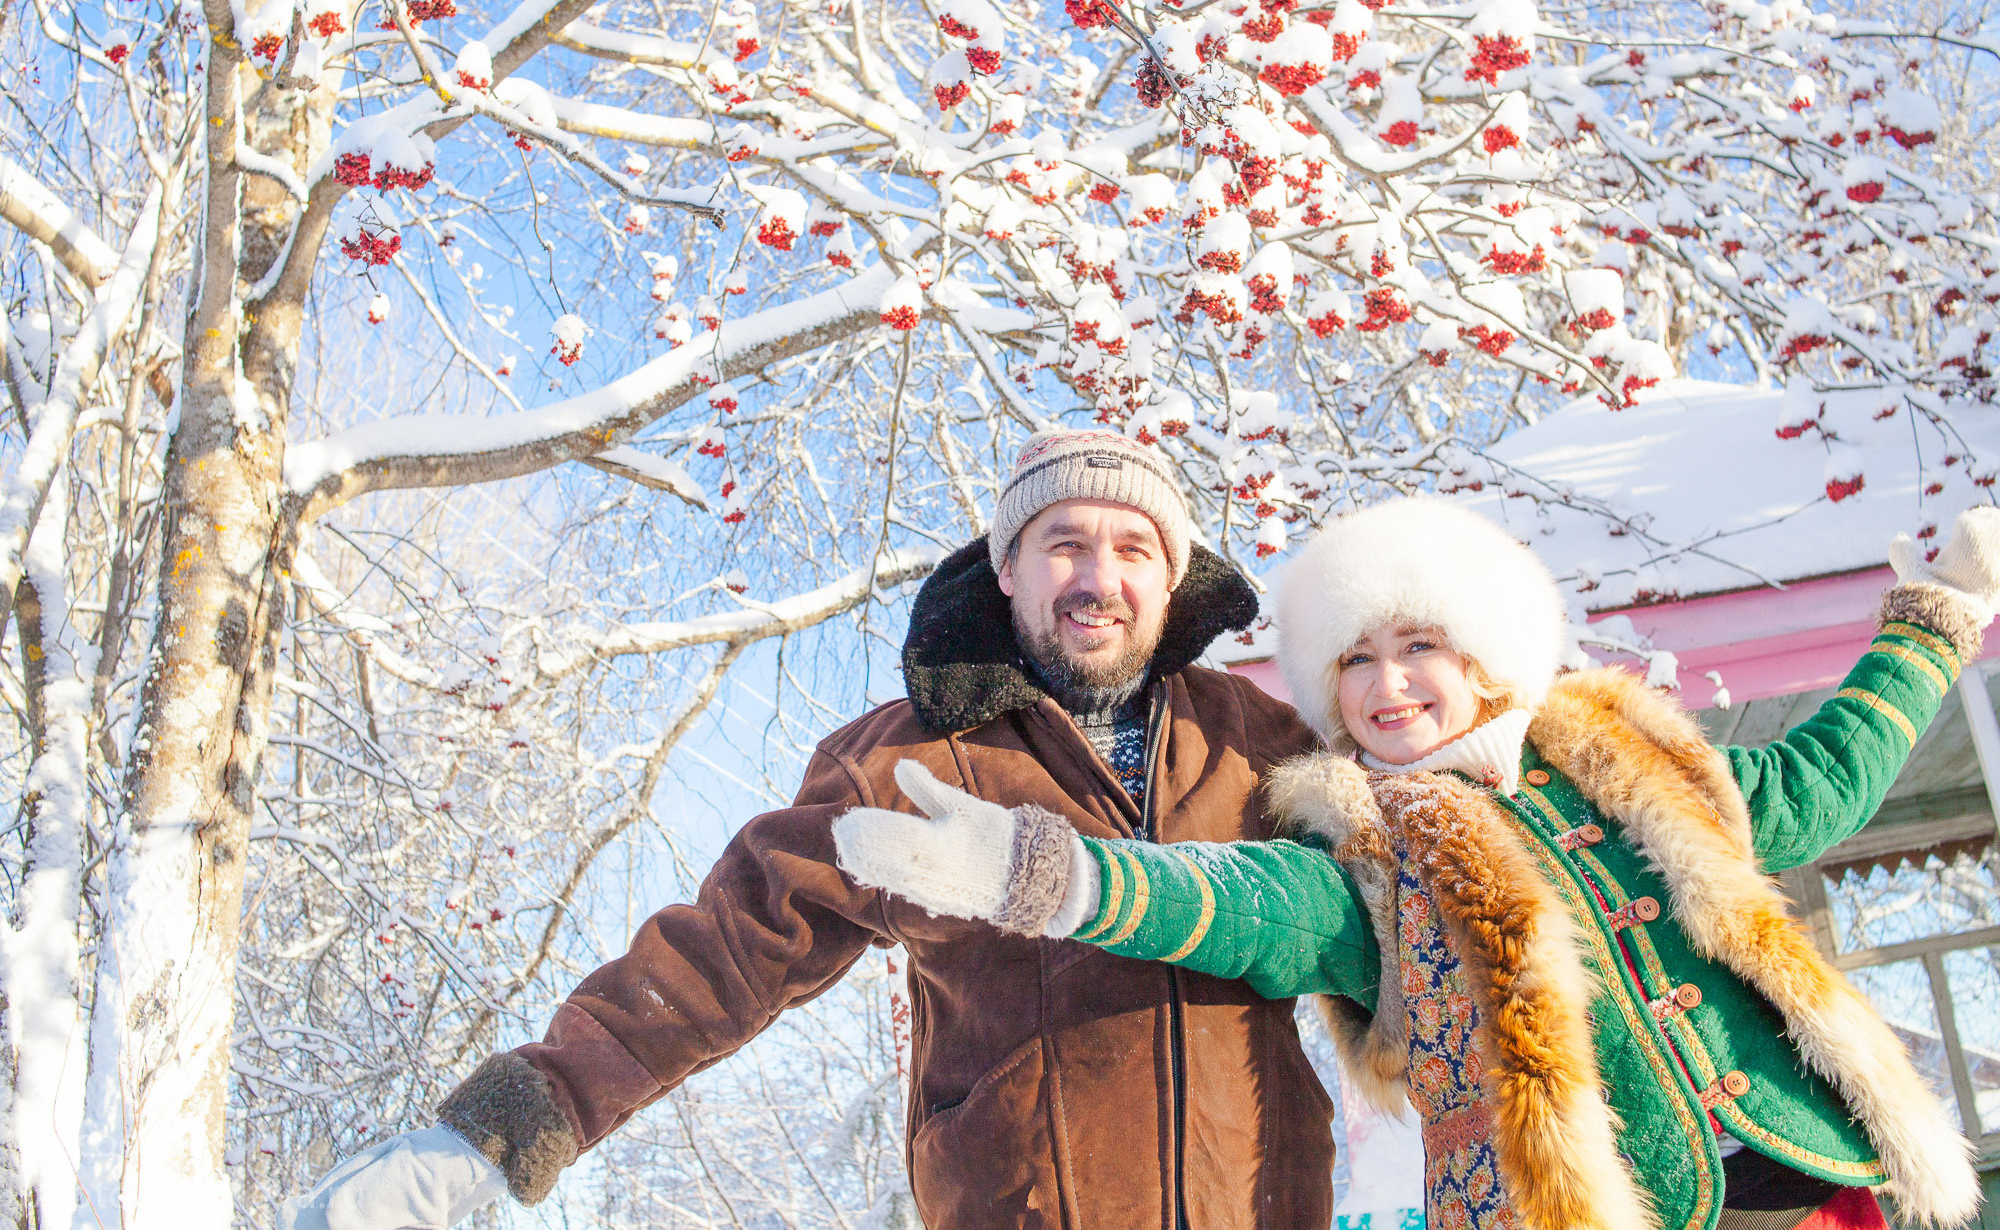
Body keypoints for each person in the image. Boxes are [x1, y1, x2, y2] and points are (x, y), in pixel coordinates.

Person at [835, 497, 1997, 1230]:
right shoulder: (1362, 846)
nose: (1383, 687)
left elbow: (1815, 782)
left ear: (1486, 656)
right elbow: (1238, 908)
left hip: (1817, 1177)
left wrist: (1929, 624)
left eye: (1416, 648)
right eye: (1351, 662)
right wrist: (1036, 872)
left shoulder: (1623, 764)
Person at [282, 429, 1335, 1230]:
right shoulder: (913, 755)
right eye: (1062, 544)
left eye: (1131, 548)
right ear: (1006, 568)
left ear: (1170, 576)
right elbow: (733, 948)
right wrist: (516, 1116)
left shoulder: (1261, 740)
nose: (1096, 578)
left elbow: (1407, 910)